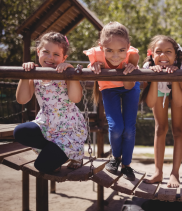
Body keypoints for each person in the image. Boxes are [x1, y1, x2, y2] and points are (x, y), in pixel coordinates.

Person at [14, 32, 87, 173]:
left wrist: (71, 73)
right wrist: (25, 74)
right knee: (20, 132)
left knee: (42, 166)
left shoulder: (65, 74)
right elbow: (22, 99)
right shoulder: (35, 73)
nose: (50, 58)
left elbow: (76, 98)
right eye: (46, 52)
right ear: (38, 51)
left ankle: (75, 153)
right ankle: (56, 152)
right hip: (46, 125)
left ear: (64, 58)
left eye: (56, 55)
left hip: (68, 130)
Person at [83, 22, 140, 181]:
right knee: (116, 127)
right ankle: (115, 158)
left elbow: (129, 85)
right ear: (101, 47)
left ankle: (126, 165)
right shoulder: (95, 54)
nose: (116, 56)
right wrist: (94, 66)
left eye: (122, 50)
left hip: (130, 87)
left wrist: (129, 70)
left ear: (128, 46)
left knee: (128, 128)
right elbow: (92, 68)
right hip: (108, 87)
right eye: (109, 50)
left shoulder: (133, 55)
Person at [140, 35, 182, 188]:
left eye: (168, 52)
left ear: (175, 55)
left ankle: (175, 173)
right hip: (158, 90)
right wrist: (154, 76)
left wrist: (174, 77)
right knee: (160, 128)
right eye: (158, 51)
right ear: (152, 55)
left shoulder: (181, 68)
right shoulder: (148, 69)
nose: (163, 55)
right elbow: (151, 102)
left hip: (176, 90)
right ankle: (158, 172)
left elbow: (179, 101)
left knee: (178, 130)